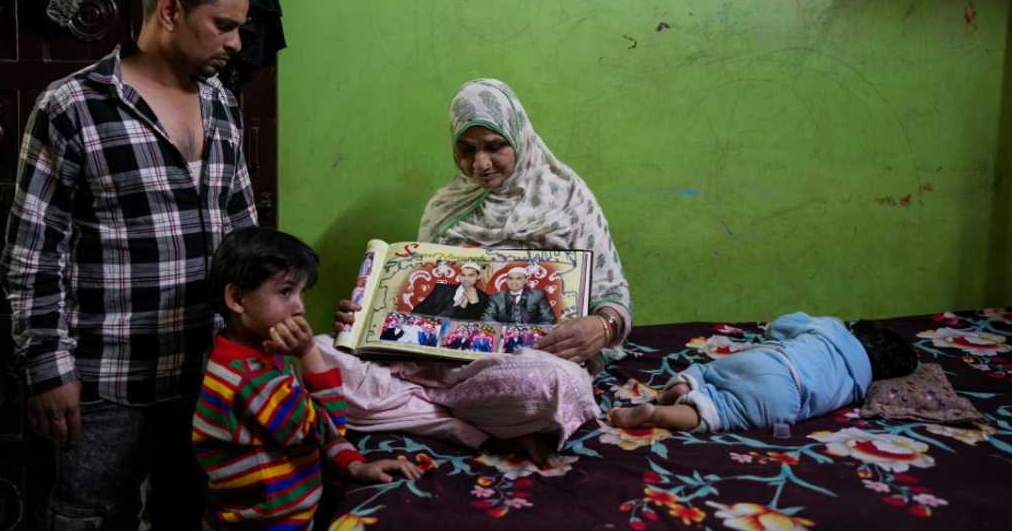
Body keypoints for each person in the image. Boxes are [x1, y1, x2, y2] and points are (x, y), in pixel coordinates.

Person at [0, 0, 260, 529]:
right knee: (89, 515)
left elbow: (242, 232)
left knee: (188, 512)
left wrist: (265, 327)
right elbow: (32, 254)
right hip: (104, 376)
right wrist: (47, 367)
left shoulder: (221, 103)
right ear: (169, 10)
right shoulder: (72, 106)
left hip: (206, 371)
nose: (236, 43)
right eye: (223, 25)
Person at [326, 78, 632, 463]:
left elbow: (612, 293)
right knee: (320, 355)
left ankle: (424, 409)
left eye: (494, 146)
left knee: (557, 384)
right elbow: (422, 307)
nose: (480, 164)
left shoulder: (568, 197)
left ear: (518, 136)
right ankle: (468, 420)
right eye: (467, 150)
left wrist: (602, 327)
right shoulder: (445, 206)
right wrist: (367, 322)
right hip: (441, 366)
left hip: (524, 365)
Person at [194, 227, 421, 529]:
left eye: (301, 292)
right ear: (237, 298)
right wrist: (309, 352)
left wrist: (353, 465)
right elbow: (329, 425)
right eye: (285, 291)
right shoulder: (250, 379)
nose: (300, 306)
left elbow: (315, 426)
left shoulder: (246, 352)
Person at [609, 313, 918, 432]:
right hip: (786, 396)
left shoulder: (830, 328)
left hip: (771, 359)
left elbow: (780, 326)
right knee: (720, 410)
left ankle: (682, 387)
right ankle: (659, 414)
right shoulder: (861, 385)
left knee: (707, 372)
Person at [411, 261, 491, 319]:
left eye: (471, 275)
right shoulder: (441, 289)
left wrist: (474, 303)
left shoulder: (484, 298)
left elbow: (475, 321)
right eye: (463, 275)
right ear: (459, 276)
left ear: (478, 277)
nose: (466, 279)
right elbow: (418, 309)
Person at [481, 267, 556, 325]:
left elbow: (549, 319)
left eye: (518, 279)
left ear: (526, 280)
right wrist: (501, 329)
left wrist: (533, 331)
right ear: (506, 280)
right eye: (510, 279)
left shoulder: (537, 295)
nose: (514, 282)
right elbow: (486, 318)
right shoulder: (496, 297)